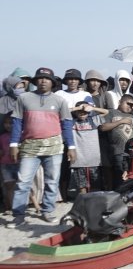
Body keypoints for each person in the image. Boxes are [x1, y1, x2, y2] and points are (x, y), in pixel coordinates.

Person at [5, 67, 76, 227]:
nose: (43, 81)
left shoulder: (59, 101)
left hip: (54, 146)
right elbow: (17, 122)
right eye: (40, 78)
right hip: (29, 146)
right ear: (35, 81)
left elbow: (66, 124)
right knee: (23, 182)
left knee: (52, 181)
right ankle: (19, 215)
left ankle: (47, 211)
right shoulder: (24, 98)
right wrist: (14, 144)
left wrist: (71, 146)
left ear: (52, 82)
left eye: (47, 78)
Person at [69, 102, 109, 197]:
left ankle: (94, 201)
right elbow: (62, 113)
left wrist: (92, 108)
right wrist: (78, 107)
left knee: (95, 183)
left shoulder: (93, 120)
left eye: (85, 112)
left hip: (94, 158)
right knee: (81, 185)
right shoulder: (71, 122)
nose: (82, 113)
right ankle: (83, 200)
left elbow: (106, 112)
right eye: (80, 111)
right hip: (78, 159)